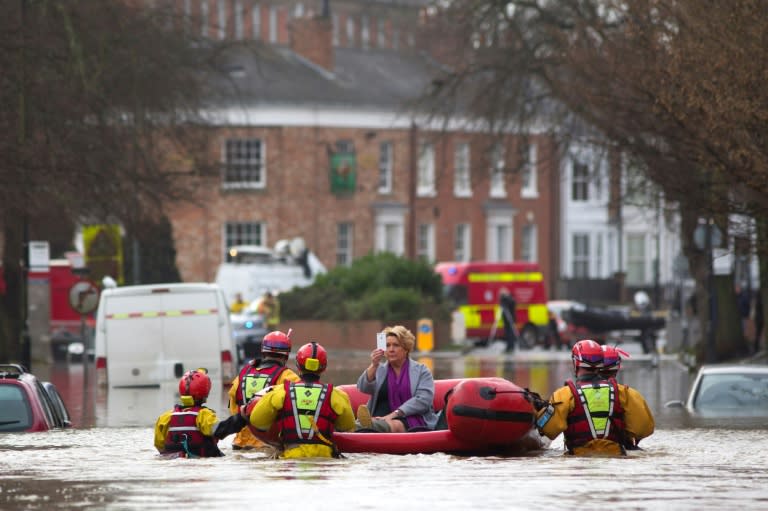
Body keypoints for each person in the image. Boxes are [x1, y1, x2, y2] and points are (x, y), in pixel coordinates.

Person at [531, 339, 655, 456]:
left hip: (579, 458)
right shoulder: (625, 393)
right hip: (616, 458)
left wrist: (539, 410)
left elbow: (548, 430)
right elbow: (644, 429)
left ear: (576, 362)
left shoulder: (564, 395)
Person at [243, 341, 355, 458]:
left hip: (290, 458)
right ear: (324, 367)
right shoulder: (337, 395)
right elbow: (347, 426)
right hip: (324, 458)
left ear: (297, 365)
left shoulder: (280, 392)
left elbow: (257, 421)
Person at [355, 325, 438, 433]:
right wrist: (374, 365)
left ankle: (366, 426)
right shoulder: (379, 369)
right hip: (377, 416)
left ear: (406, 349)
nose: (391, 349)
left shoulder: (422, 371)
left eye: (396, 345)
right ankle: (359, 425)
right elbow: (362, 388)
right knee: (368, 423)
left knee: (393, 424)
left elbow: (423, 400)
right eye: (387, 345)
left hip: (408, 418)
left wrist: (394, 414)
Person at [228, 330, 301, 450]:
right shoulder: (289, 378)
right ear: (286, 355)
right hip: (268, 445)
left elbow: (233, 410)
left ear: (263, 351)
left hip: (240, 445)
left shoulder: (241, 375)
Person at [154, 368, 246, 458]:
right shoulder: (204, 415)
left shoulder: (165, 417)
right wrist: (241, 417)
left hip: (174, 464)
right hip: (200, 463)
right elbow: (221, 430)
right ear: (205, 392)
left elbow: (159, 446)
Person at [499, 288, 518, 352]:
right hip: (506, 320)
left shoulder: (509, 299)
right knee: (507, 334)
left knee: (510, 334)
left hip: (510, 319)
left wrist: (505, 299)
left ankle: (511, 347)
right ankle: (508, 346)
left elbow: (513, 303)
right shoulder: (505, 300)